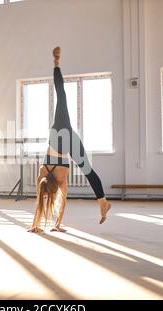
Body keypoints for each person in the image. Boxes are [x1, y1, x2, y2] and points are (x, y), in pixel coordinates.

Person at [28, 47, 111, 233]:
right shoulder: (42, 174)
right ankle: (102, 201)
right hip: (61, 133)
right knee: (62, 96)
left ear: (52, 190)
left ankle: (103, 203)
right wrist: (54, 225)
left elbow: (60, 200)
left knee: (88, 170)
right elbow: (43, 202)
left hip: (66, 137)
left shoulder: (59, 179)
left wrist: (47, 224)